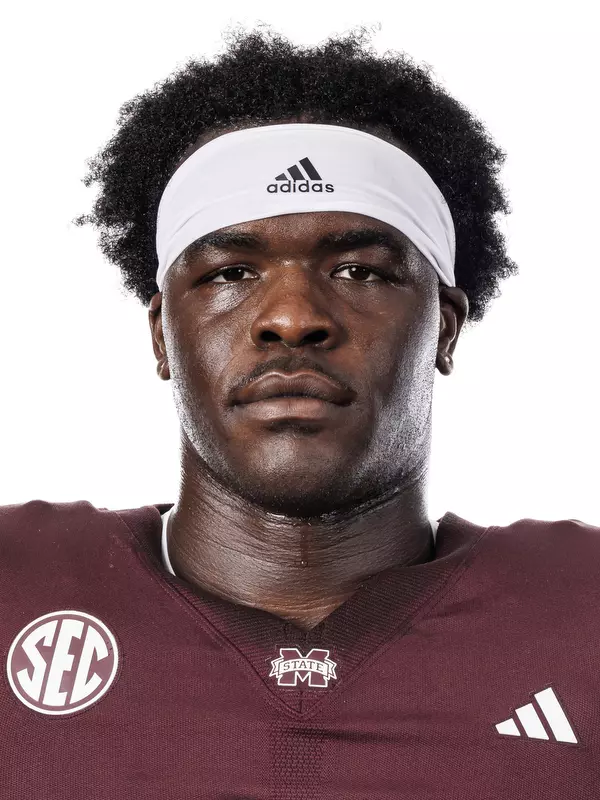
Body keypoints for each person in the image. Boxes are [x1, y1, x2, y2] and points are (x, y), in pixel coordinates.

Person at [1, 25, 598, 799]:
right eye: (230, 272)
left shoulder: (582, 615)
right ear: (162, 335)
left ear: (445, 328)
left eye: (359, 270)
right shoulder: (16, 586)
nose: (292, 317)